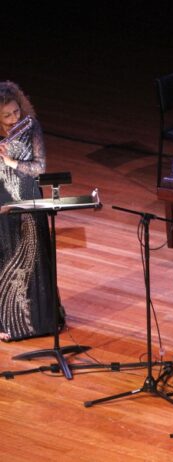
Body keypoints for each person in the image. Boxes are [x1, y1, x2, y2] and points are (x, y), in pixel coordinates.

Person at [0, 81, 56, 341]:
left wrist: (10, 161)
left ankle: (39, 322)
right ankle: (7, 322)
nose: (14, 118)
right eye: (7, 115)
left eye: (16, 111)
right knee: (5, 257)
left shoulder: (30, 126)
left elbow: (40, 167)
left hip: (28, 197)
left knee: (32, 257)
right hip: (2, 200)